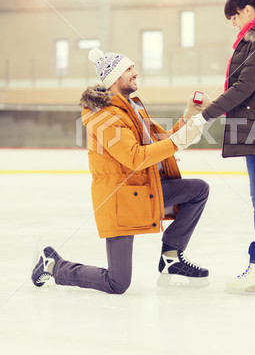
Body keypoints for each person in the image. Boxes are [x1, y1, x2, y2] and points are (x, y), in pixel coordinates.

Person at [32, 48, 210, 294]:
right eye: (129, 69)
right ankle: (53, 266)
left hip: (144, 191)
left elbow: (163, 140)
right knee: (117, 282)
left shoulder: (131, 108)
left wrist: (190, 116)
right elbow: (135, 157)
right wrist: (176, 142)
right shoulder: (103, 116)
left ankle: (171, 258)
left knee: (197, 190)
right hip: (120, 200)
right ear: (115, 78)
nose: (136, 73)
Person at [192, 0, 255, 293]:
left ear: (248, 10)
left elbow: (245, 86)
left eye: (234, 17)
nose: (234, 24)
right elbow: (245, 84)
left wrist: (205, 116)